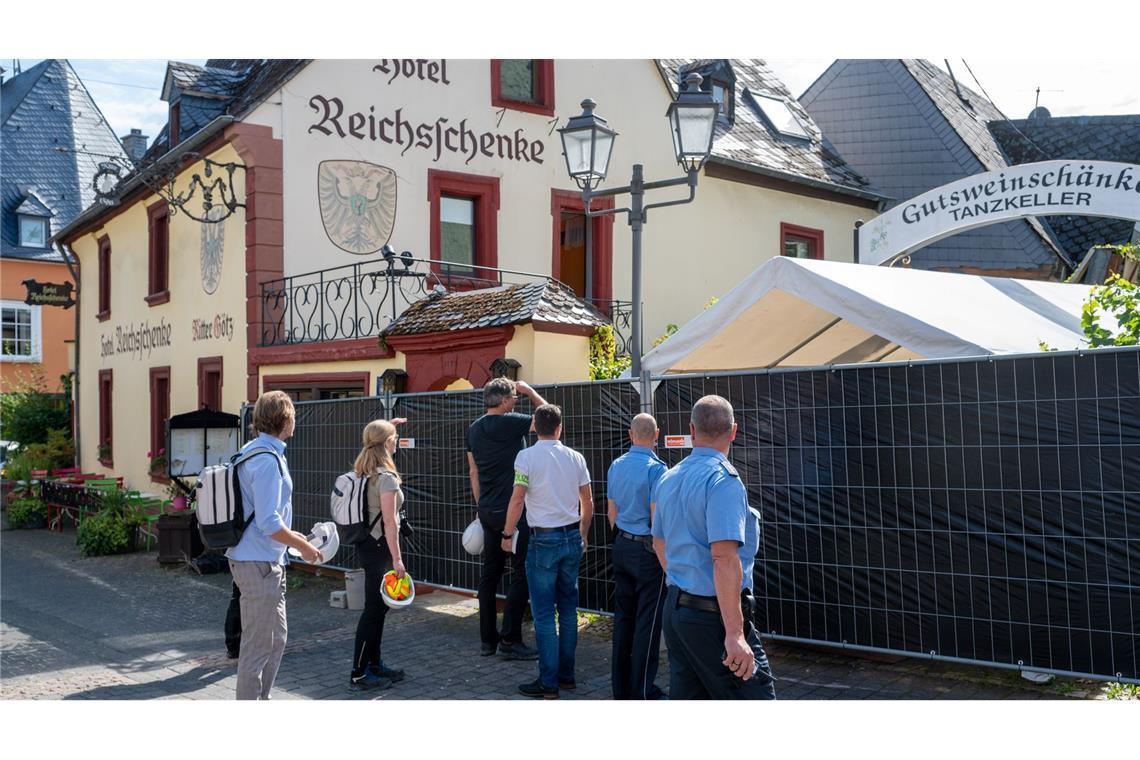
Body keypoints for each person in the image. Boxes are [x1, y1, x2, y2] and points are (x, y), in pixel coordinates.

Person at [650, 395, 776, 700]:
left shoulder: (668, 478)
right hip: (713, 620)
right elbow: (723, 556)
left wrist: (685, 582)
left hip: (678, 612)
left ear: (692, 430)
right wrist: (734, 633)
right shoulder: (724, 481)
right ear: (733, 431)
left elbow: (658, 542)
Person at [227, 390, 322, 700]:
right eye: (293, 415)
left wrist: (293, 538)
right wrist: (303, 546)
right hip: (259, 563)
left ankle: (261, 699)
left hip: (260, 559)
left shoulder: (254, 451)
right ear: (285, 420)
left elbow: (265, 515)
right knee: (256, 645)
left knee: (276, 638)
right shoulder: (267, 461)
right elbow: (269, 523)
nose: (295, 420)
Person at [501, 403, 593, 698]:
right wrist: (583, 534)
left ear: (534, 428)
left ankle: (548, 682)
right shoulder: (575, 458)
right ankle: (567, 676)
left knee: (543, 614)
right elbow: (588, 501)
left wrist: (507, 534)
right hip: (570, 538)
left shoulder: (525, 458)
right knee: (568, 610)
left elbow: (517, 500)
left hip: (542, 541)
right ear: (559, 427)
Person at [466, 377, 547, 660]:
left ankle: (487, 640)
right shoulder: (511, 422)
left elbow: (473, 472)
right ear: (503, 401)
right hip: (513, 509)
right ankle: (510, 640)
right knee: (522, 572)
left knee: (489, 574)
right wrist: (530, 390)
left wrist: (481, 506)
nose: (516, 400)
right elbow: (549, 417)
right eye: (513, 397)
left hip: (487, 509)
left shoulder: (474, 429)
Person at [607, 413, 668, 699]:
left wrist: (621, 539)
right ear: (656, 435)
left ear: (631, 434)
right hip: (647, 550)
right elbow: (657, 520)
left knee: (623, 618)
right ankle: (642, 689)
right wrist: (664, 561)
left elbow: (611, 512)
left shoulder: (616, 465)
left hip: (621, 544)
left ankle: (619, 688)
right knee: (647, 621)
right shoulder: (658, 470)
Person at [349, 417, 410, 691]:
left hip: (366, 545)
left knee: (379, 609)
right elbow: (390, 523)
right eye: (394, 438)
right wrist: (397, 559)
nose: (396, 441)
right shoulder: (385, 478)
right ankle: (360, 673)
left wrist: (388, 423)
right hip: (379, 548)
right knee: (373, 611)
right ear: (387, 443)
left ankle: (374, 664)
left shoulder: (362, 472)